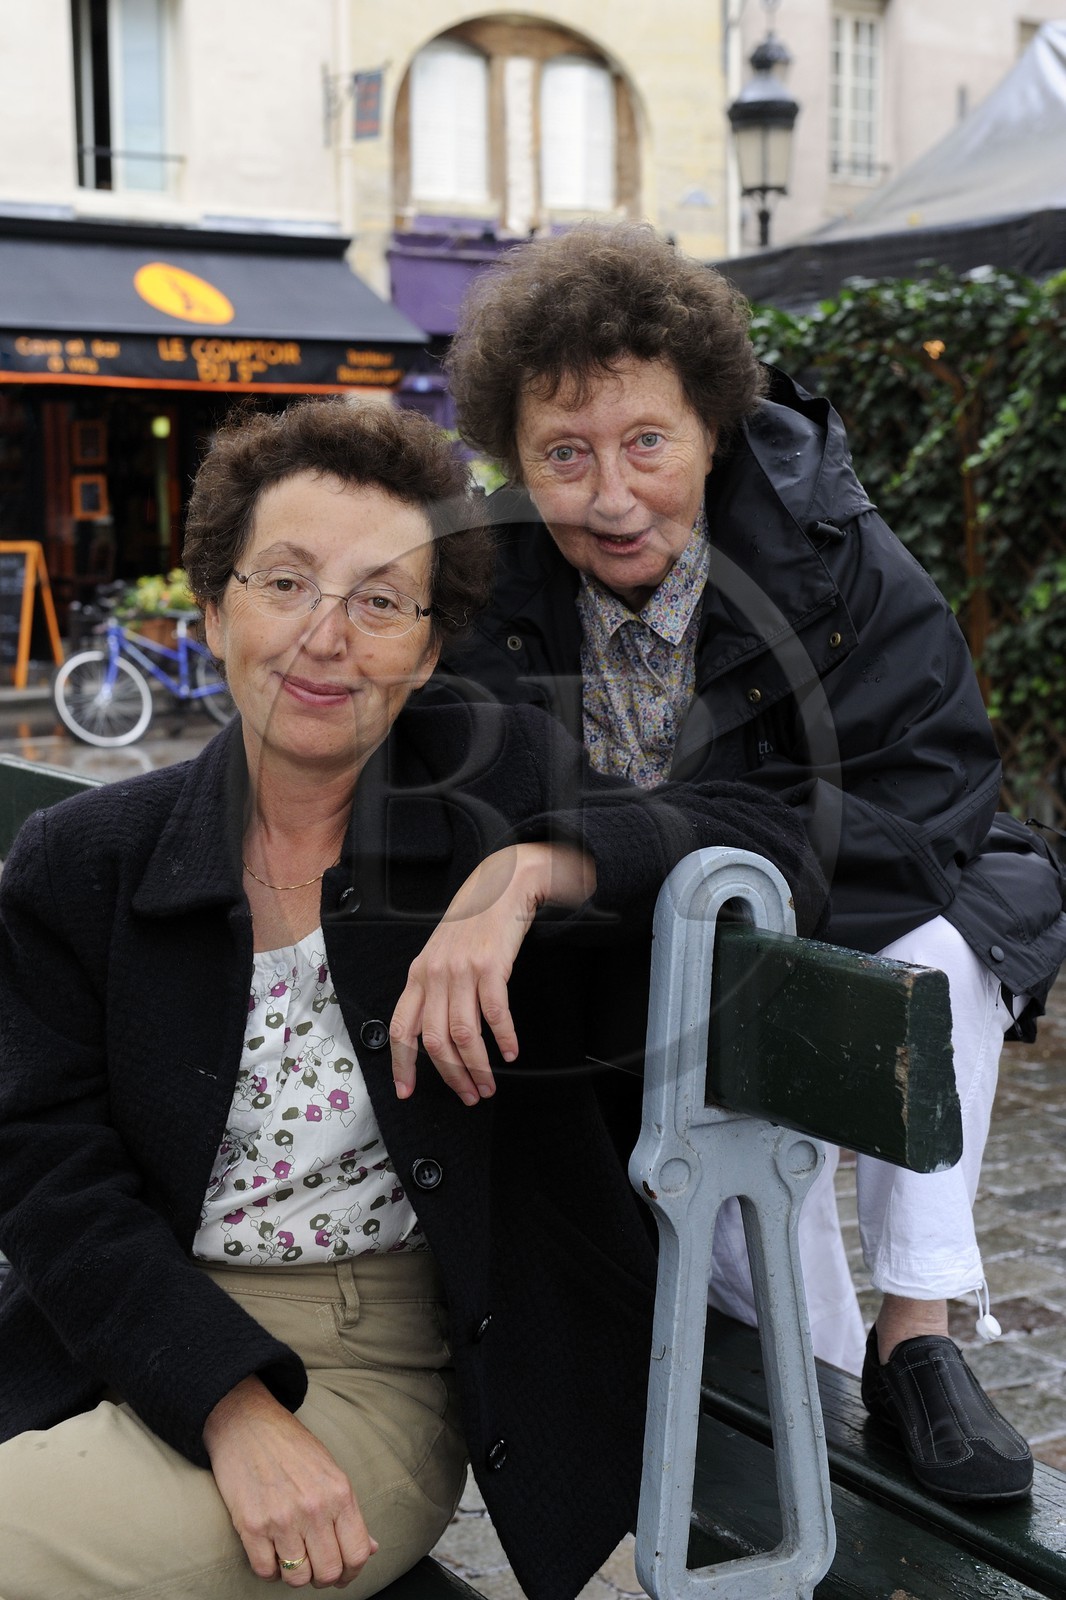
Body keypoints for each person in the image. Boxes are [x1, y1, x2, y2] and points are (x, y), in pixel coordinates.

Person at [0, 397, 826, 1600]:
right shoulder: (88, 859)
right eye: (285, 582)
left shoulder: (488, 792)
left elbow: (775, 834)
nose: (326, 636)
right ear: (217, 605)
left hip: (371, 1372)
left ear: (429, 651)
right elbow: (43, 1165)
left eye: (380, 600)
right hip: (121, 1332)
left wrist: (530, 870)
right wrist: (230, 1407)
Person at [438, 222, 1066, 1505]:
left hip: (851, 904)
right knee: (733, 1196)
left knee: (932, 958)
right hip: (632, 974)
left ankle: (918, 1338)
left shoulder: (828, 549)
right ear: (516, 462)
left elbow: (920, 792)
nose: (611, 495)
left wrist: (657, 876)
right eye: (565, 453)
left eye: (646, 442)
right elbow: (468, 801)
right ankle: (829, 1406)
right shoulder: (489, 586)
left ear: (713, 428)